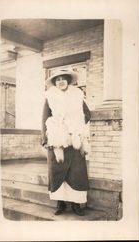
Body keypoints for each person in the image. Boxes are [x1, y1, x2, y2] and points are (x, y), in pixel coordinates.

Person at [41, 69, 91, 216]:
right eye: (58, 79)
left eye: (64, 78)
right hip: (57, 142)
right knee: (57, 172)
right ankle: (60, 204)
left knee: (76, 173)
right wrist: (45, 138)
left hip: (74, 140)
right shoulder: (50, 96)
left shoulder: (77, 95)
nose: (61, 81)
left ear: (69, 81)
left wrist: (76, 124)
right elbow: (44, 118)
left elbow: (87, 114)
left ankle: (76, 205)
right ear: (55, 83)